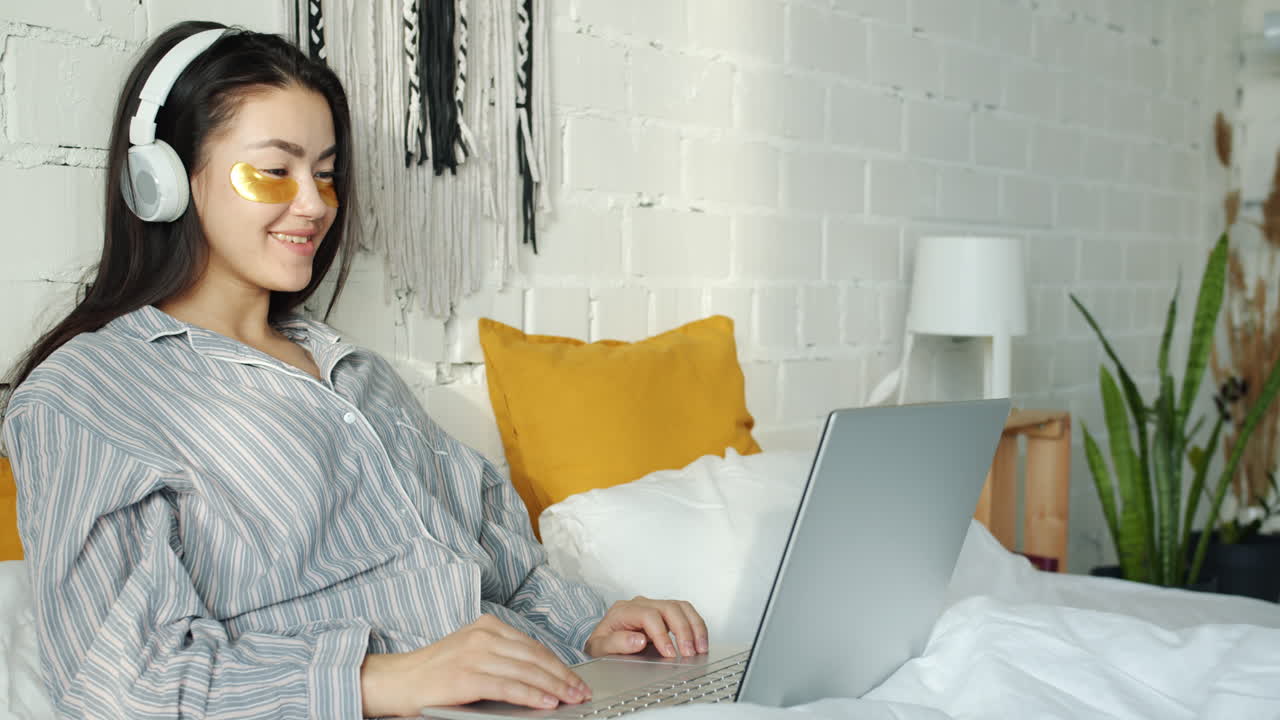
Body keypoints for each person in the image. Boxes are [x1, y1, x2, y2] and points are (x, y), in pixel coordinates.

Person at [1, 21, 706, 719]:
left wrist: (588, 625)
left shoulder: (357, 372)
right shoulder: (85, 396)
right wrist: (381, 681)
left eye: (326, 174)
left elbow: (501, 564)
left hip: (545, 695)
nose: (313, 204)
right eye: (274, 171)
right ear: (164, 181)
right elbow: (124, 681)